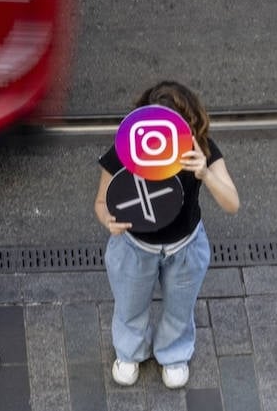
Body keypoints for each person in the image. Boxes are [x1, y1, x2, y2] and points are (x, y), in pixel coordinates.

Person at [93, 81, 240, 389]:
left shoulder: (200, 149)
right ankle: (130, 352)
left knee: (179, 308)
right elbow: (102, 202)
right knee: (129, 306)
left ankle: (174, 354)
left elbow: (232, 203)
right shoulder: (127, 148)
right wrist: (108, 221)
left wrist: (205, 173)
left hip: (185, 247)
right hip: (134, 247)